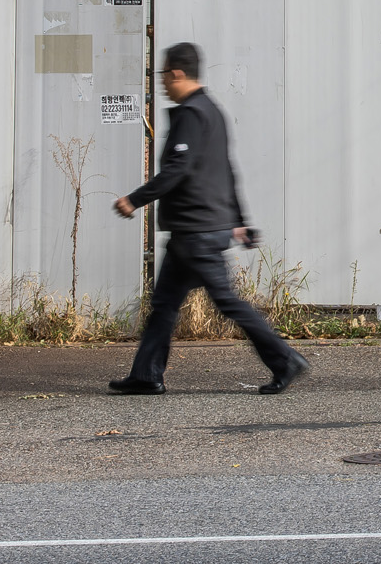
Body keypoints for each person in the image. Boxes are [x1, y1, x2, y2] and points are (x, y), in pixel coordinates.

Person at [109, 42, 310, 397]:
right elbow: (227, 170)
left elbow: (177, 168)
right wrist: (240, 219)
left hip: (196, 232)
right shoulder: (212, 111)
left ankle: (285, 359)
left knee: (227, 302)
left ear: (177, 73)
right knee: (164, 305)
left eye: (163, 76)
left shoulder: (191, 113)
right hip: (200, 229)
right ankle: (146, 375)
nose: (163, 84)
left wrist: (134, 200)